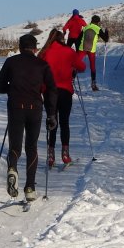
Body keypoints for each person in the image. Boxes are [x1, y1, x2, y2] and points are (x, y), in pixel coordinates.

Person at [0, 34, 58, 202]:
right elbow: (52, 89)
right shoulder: (42, 65)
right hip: (34, 109)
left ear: (20, 47)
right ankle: (30, 187)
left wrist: (12, 88)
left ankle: (13, 168)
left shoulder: (11, 62)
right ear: (35, 48)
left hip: (15, 107)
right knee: (32, 147)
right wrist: (51, 114)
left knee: (15, 147)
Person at [38, 29, 86, 167]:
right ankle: (65, 154)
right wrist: (72, 68)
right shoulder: (69, 52)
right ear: (62, 39)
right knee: (64, 122)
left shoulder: (44, 52)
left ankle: (51, 155)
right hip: (65, 91)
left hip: (48, 91)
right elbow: (82, 66)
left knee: (52, 121)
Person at [77, 15, 109, 91]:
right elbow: (106, 39)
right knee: (92, 67)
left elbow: (78, 39)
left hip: (82, 48)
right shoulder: (98, 29)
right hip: (91, 49)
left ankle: (70, 80)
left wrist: (78, 48)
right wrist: (106, 32)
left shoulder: (85, 27)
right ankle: (93, 84)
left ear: (91, 20)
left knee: (75, 63)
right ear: (98, 22)